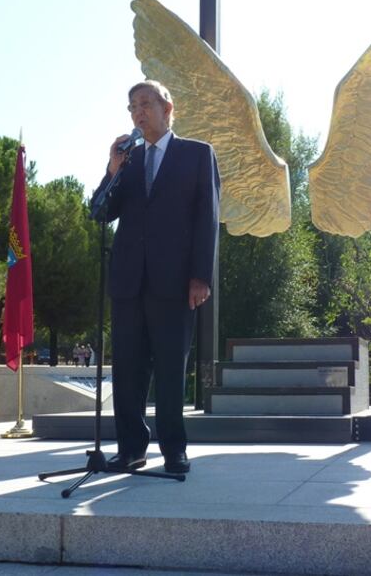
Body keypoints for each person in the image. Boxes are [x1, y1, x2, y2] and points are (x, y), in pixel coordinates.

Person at [91, 79, 220, 475]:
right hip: (129, 283)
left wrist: (200, 276)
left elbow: (208, 219)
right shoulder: (126, 161)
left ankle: (174, 451)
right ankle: (131, 448)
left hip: (175, 283)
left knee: (169, 370)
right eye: (132, 107)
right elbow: (99, 212)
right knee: (127, 371)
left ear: (169, 108)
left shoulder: (197, 155)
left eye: (145, 103)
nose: (138, 112)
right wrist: (112, 169)